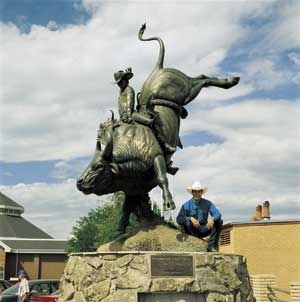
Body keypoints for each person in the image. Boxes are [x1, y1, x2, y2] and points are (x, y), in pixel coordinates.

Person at [176, 181, 223, 252]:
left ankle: (211, 246)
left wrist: (212, 219)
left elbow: (218, 214)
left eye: (199, 192)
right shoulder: (186, 205)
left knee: (219, 221)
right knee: (188, 222)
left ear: (201, 192)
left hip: (204, 229)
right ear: (192, 192)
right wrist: (190, 218)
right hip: (191, 230)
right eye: (195, 191)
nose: (197, 194)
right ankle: (192, 241)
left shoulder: (208, 203)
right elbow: (179, 219)